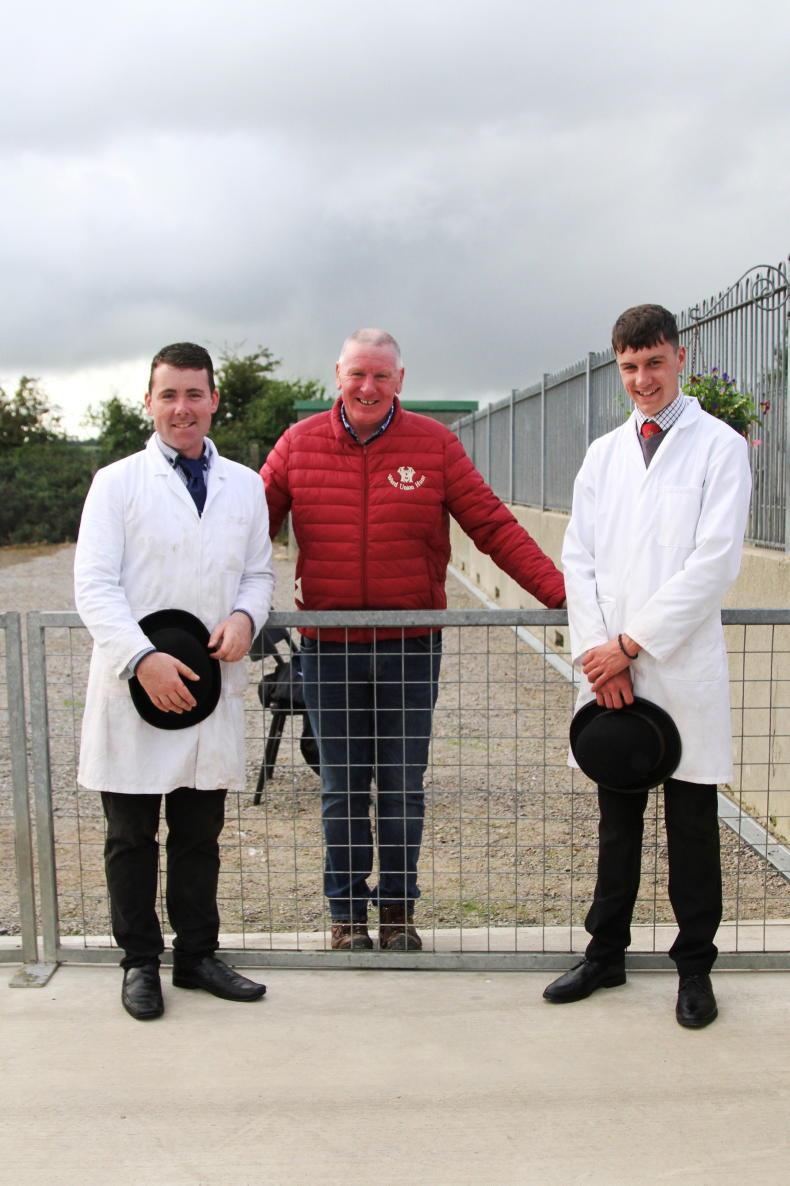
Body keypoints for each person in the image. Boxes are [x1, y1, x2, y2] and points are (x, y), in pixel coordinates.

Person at [262, 328, 565, 951]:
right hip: (329, 646)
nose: (367, 387)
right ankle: (347, 918)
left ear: (400, 380)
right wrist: (206, 603)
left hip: (410, 645)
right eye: (357, 374)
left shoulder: (434, 444)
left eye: (381, 375)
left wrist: (561, 596)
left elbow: (492, 526)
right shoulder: (297, 444)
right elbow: (242, 528)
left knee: (402, 786)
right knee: (342, 789)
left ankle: (398, 914)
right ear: (338, 375)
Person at [543, 304, 752, 1027]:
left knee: (692, 826)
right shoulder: (603, 455)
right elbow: (579, 559)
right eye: (630, 367)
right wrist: (601, 657)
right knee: (617, 820)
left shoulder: (719, 447)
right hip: (612, 672)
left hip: (677, 665)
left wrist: (630, 645)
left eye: (654, 363)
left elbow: (714, 563)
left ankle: (695, 969)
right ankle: (605, 954)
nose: (642, 380)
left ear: (680, 357)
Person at [74, 342, 274, 1021]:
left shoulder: (244, 485)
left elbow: (258, 573)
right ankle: (139, 963)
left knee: (199, 834)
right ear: (149, 402)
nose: (181, 408)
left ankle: (197, 956)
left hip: (209, 684)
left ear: (214, 400)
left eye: (194, 394)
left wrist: (246, 617)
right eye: (169, 395)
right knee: (131, 837)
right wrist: (142, 658)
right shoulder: (116, 483)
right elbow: (94, 585)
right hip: (135, 687)